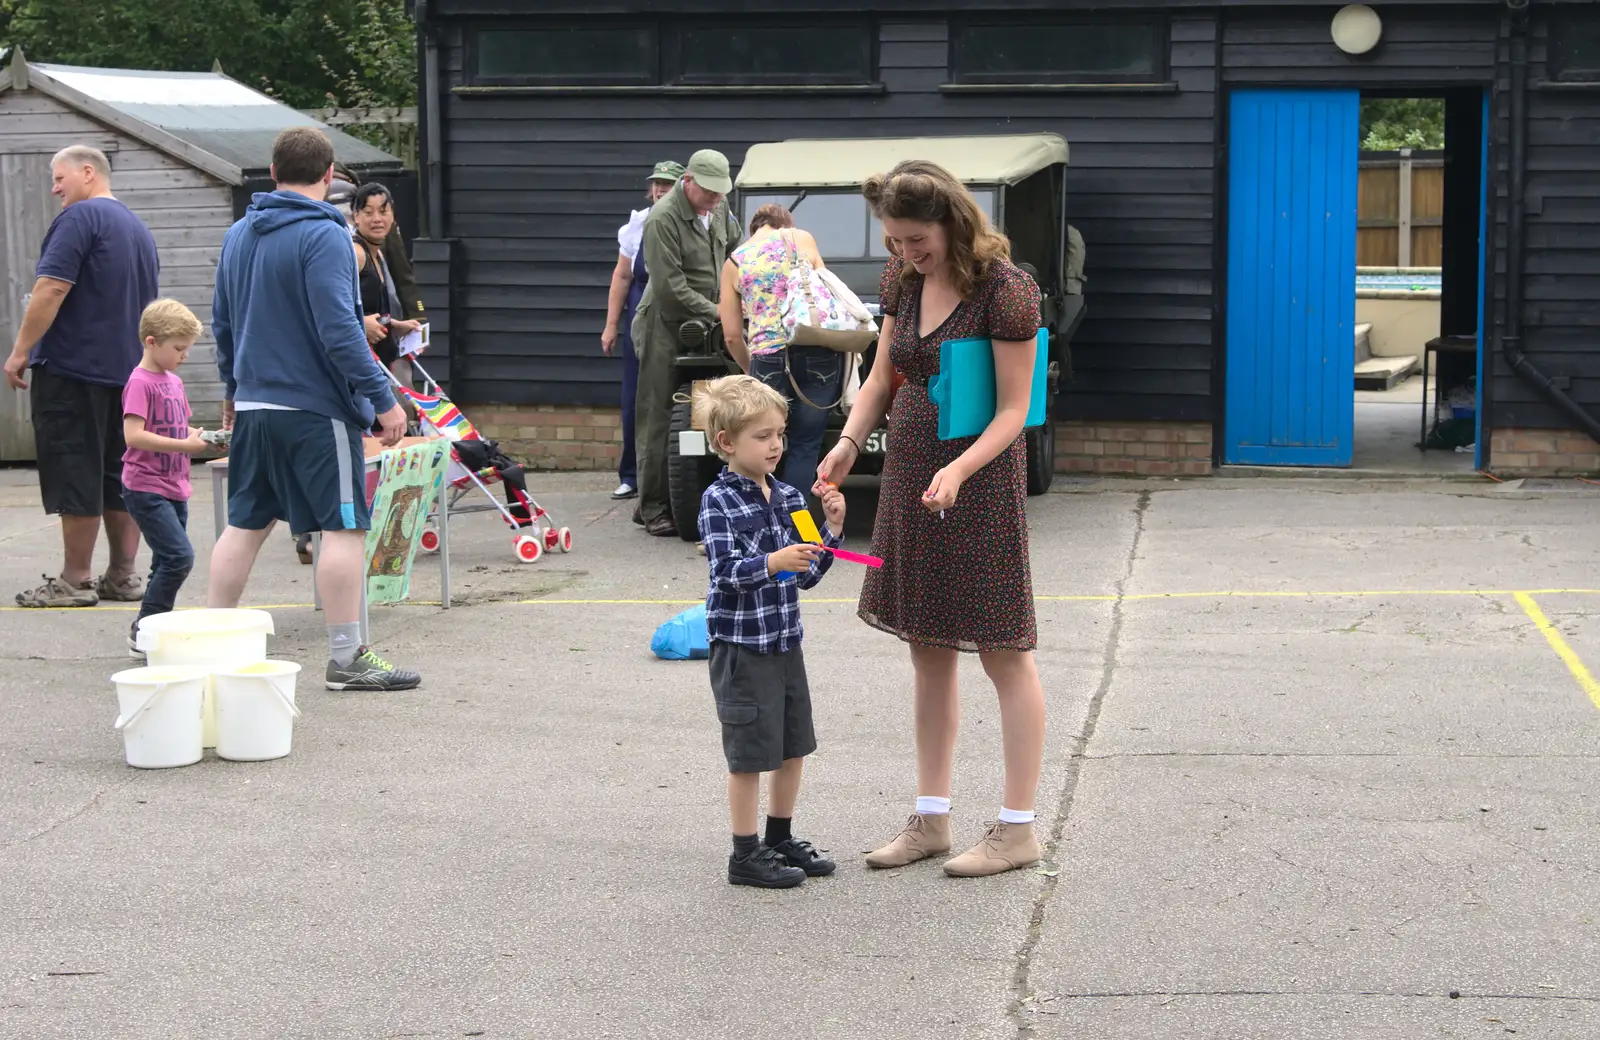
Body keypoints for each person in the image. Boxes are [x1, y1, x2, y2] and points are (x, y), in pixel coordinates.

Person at [814, 159, 1047, 878]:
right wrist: (848, 444)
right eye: (894, 241)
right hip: (915, 470)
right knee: (927, 647)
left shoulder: (1009, 293)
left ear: (951, 221)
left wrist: (960, 468)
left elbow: (1015, 412)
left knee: (1003, 650)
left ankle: (1016, 829)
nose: (905, 254)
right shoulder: (903, 282)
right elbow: (883, 377)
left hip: (975, 478)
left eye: (916, 240)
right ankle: (932, 818)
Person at [208, 126, 419, 693]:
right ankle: (347, 658)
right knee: (343, 527)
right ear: (331, 178)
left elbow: (222, 325)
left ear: (272, 173)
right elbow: (340, 331)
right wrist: (384, 400)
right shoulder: (326, 237)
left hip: (254, 403)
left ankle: (211, 645)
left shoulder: (238, 236)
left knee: (245, 524)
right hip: (315, 409)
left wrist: (233, 392)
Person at [696, 374, 847, 888]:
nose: (777, 445)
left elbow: (808, 575)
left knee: (792, 745)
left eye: (780, 433)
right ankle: (745, 854)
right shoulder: (718, 501)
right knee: (749, 755)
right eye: (763, 436)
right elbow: (726, 574)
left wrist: (831, 530)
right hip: (742, 649)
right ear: (727, 443)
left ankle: (780, 837)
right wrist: (772, 560)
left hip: (785, 642)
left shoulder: (786, 495)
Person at [5, 145, 158, 609]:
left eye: (59, 178)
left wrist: (20, 351)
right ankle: (123, 575)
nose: (54, 189)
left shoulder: (79, 219)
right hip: (125, 372)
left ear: (87, 173)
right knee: (120, 472)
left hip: (74, 369)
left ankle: (74, 579)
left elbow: (52, 287)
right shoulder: (137, 228)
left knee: (76, 468)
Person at [631, 149, 743, 537]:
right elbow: (668, 287)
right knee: (659, 415)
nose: (715, 197)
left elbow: (736, 251)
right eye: (709, 191)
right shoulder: (662, 220)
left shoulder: (719, 205)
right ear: (688, 181)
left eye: (720, 191)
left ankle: (656, 495)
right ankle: (652, 508)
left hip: (709, 321)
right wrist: (721, 310)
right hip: (665, 324)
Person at [719, 203, 841, 495]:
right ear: (785, 223)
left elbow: (733, 336)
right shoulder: (802, 239)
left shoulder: (734, 262)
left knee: (759, 442)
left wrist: (753, 371)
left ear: (754, 228)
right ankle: (797, 523)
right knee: (805, 443)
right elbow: (828, 293)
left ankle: (761, 518)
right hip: (816, 350)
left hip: (766, 357)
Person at [120, 299, 209, 657]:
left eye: (187, 349)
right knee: (178, 557)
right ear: (151, 342)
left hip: (175, 485)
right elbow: (134, 435)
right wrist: (181, 444)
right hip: (145, 485)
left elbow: (174, 426)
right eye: (178, 348)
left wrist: (197, 437)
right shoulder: (140, 382)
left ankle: (153, 630)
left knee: (164, 560)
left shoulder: (173, 381)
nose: (184, 356)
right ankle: (145, 632)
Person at [602, 160, 683, 502]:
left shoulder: (691, 224)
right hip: (641, 309)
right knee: (636, 397)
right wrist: (610, 326)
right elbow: (622, 277)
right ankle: (632, 474)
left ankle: (673, 476)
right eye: (656, 184)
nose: (660, 189)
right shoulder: (637, 224)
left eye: (667, 183)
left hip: (679, 309)